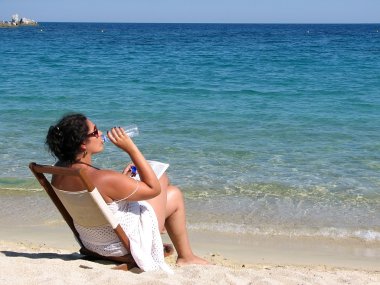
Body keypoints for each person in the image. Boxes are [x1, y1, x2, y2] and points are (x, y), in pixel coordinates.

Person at [45, 113, 208, 271]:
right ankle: (186, 256)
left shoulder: (59, 171)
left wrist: (121, 180)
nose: (101, 133)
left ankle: (183, 252)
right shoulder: (103, 178)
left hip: (92, 243)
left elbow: (99, 199)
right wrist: (131, 149)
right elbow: (154, 189)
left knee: (172, 193)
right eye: (95, 132)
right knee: (164, 182)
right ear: (83, 144)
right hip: (122, 246)